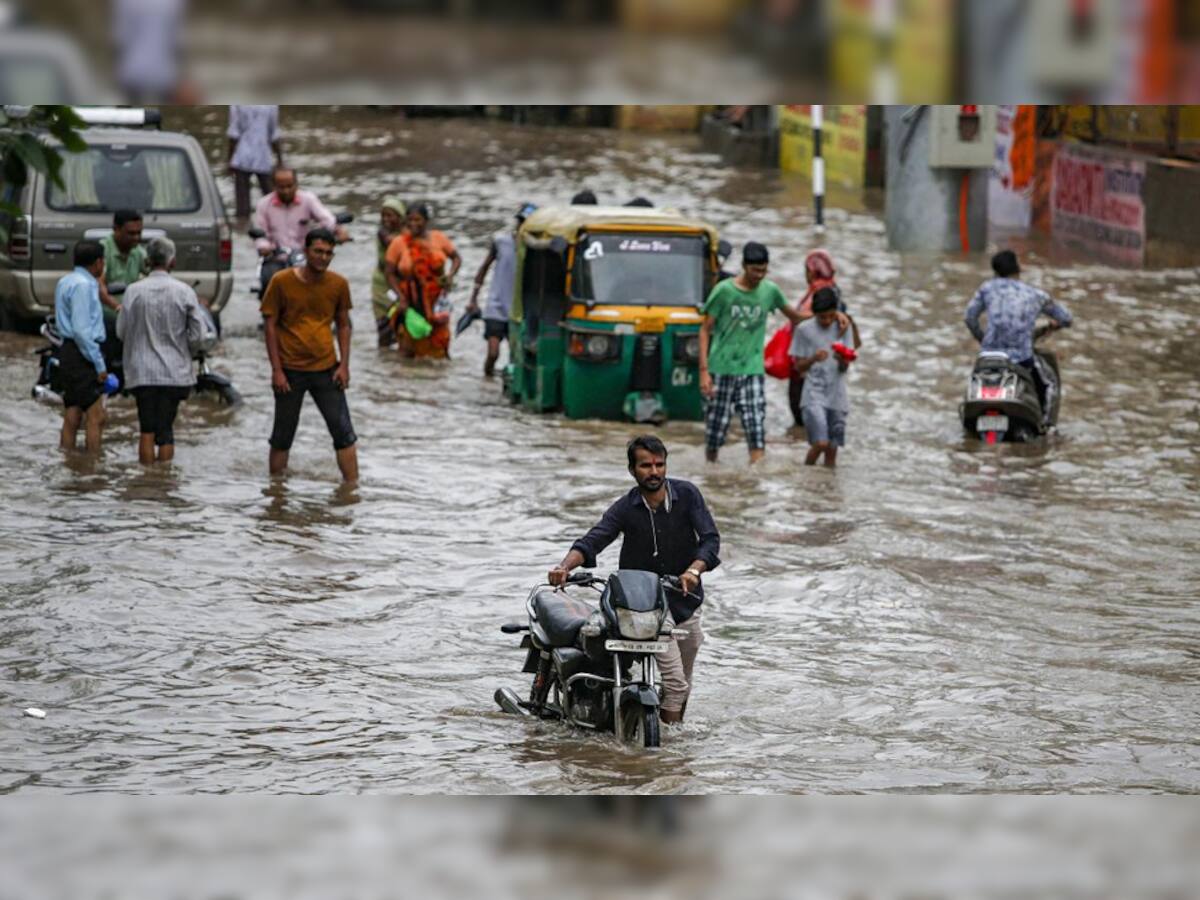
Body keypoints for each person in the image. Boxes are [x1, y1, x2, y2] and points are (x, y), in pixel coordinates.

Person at [548, 436, 720, 724]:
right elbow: (594, 539)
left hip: (686, 602)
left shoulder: (688, 495)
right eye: (645, 465)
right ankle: (667, 754)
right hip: (644, 607)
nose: (654, 472)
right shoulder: (626, 507)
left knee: (681, 685)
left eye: (659, 464)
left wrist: (694, 570)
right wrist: (564, 567)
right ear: (632, 470)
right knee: (676, 686)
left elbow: (710, 540)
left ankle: (666, 735)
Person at [699, 242, 841, 463]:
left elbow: (794, 316)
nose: (759, 275)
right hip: (720, 367)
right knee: (715, 433)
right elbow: (705, 330)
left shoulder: (770, 290)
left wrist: (833, 315)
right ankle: (711, 473)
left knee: (756, 429)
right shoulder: (724, 291)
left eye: (764, 270)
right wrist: (704, 371)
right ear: (744, 266)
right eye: (755, 270)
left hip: (753, 369)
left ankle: (755, 484)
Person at [261, 227, 358, 483]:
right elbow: (270, 325)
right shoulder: (281, 282)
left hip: (326, 367)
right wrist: (277, 370)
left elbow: (344, 324)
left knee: (343, 432)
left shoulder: (338, 284)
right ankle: (276, 492)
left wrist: (344, 365)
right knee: (282, 435)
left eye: (328, 253)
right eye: (318, 251)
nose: (323, 257)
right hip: (290, 370)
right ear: (306, 251)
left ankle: (352, 489)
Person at [117, 237, 212, 465]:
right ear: (173, 262)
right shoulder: (185, 292)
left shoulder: (133, 291)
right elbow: (198, 335)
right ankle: (163, 484)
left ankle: (146, 484)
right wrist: (184, 349)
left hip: (142, 373)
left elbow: (121, 332)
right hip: (174, 372)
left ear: (148, 261)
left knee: (146, 429)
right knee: (166, 429)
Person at [965, 250, 1072, 424]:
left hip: (989, 358)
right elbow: (1066, 318)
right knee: (1050, 383)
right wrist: (1057, 324)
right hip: (1021, 360)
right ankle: (1047, 428)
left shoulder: (987, 288)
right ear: (1018, 269)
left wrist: (983, 340)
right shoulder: (1035, 294)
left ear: (995, 271)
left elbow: (969, 318)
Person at [788, 249, 861, 428]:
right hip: (823, 368)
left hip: (812, 367)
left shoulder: (820, 295)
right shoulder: (833, 292)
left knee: (806, 422)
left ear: (812, 271)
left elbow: (804, 319)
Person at [385, 203, 461, 359]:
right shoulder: (399, 243)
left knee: (439, 348)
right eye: (410, 220)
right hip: (411, 302)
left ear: (426, 220)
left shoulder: (439, 238)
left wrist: (450, 275)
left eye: (418, 219)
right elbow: (389, 273)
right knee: (408, 348)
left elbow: (456, 258)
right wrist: (401, 297)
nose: (413, 223)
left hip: (436, 302)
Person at [466, 202, 534, 376]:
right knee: (493, 353)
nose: (522, 226)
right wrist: (473, 298)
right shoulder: (501, 242)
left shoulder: (535, 249)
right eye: (521, 222)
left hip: (518, 311)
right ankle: (487, 379)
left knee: (516, 358)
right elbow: (483, 269)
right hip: (496, 306)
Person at [55, 241, 109, 453]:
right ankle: (93, 465)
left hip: (68, 350)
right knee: (96, 415)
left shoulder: (66, 281)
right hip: (82, 353)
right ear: (97, 263)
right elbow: (81, 330)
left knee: (73, 410)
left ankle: (68, 459)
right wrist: (99, 365)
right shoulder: (84, 286)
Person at [790, 288, 854, 468]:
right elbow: (798, 366)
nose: (826, 321)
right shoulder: (804, 330)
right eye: (822, 317)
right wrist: (813, 359)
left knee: (832, 449)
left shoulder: (843, 326)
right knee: (820, 443)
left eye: (830, 316)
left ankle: (824, 488)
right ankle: (807, 472)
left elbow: (846, 366)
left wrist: (843, 359)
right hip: (813, 393)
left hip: (837, 395)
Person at [252, 167, 347, 257]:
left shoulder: (308, 199)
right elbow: (260, 232)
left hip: (304, 255)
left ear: (296, 184)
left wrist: (338, 230)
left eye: (290, 186)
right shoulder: (263, 204)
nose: (286, 191)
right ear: (274, 186)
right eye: (281, 187)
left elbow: (326, 219)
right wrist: (263, 247)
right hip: (275, 257)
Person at [228, 105, 282, 219]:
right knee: (271, 199)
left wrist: (229, 159)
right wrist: (280, 160)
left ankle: (243, 228)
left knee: (242, 205)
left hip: (242, 155)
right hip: (263, 155)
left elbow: (234, 133)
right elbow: (274, 134)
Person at [371, 197, 407, 347]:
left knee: (403, 325)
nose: (386, 219)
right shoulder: (383, 233)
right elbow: (392, 242)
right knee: (384, 325)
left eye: (390, 215)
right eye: (383, 215)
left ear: (400, 217)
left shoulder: (405, 233)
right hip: (382, 284)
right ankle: (383, 355)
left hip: (401, 282)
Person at [99, 208, 147, 311]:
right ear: (116, 229)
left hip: (129, 313)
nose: (136, 238)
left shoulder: (138, 251)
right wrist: (118, 308)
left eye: (139, 233)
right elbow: (99, 286)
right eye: (131, 233)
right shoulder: (103, 250)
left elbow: (155, 272)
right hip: (107, 314)